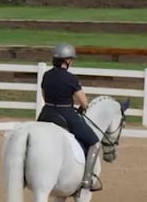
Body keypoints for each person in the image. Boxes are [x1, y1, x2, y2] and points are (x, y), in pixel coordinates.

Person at [37, 43, 103, 191]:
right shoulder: (71, 78)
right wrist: (83, 107)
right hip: (66, 114)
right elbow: (84, 102)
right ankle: (87, 180)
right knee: (95, 144)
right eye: (71, 59)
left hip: (46, 113)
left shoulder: (46, 75)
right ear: (66, 61)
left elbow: (44, 95)